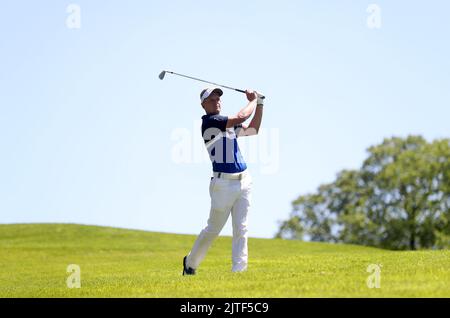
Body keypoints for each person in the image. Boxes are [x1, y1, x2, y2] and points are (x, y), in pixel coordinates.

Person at [182, 87, 264, 275]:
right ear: (203, 105)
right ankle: (190, 263)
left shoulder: (226, 124)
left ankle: (239, 272)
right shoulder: (211, 122)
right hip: (223, 185)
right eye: (211, 100)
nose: (216, 101)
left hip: (244, 180)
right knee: (213, 230)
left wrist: (260, 104)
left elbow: (253, 129)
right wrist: (252, 99)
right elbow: (242, 117)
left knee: (241, 228)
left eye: (218, 98)